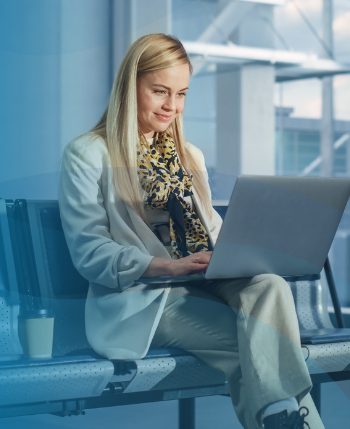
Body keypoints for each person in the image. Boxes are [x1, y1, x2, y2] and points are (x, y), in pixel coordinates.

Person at [58, 33, 322, 429]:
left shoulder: (189, 155)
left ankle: (277, 415)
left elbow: (211, 229)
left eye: (181, 94)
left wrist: (243, 251)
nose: (172, 106)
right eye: (160, 92)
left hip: (205, 278)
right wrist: (170, 267)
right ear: (131, 87)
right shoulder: (88, 154)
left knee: (270, 285)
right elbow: (90, 252)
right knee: (265, 350)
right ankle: (285, 417)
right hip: (146, 296)